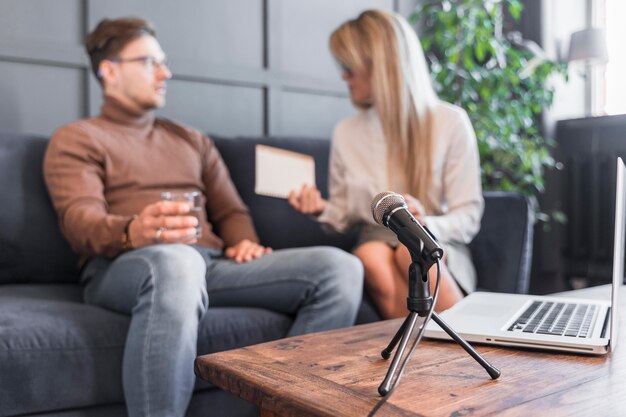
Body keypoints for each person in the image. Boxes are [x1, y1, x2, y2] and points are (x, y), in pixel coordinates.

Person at [43, 17, 363, 417]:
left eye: (163, 62)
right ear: (109, 71)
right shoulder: (78, 138)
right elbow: (79, 221)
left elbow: (231, 210)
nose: (165, 72)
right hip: (121, 267)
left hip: (208, 264)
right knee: (177, 261)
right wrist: (133, 230)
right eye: (148, 62)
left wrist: (242, 240)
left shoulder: (191, 139)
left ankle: (283, 411)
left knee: (340, 268)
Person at [289, 9, 483, 319]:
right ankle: (417, 357)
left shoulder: (450, 123)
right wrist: (318, 209)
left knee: (410, 253)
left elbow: (469, 217)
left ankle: (442, 346)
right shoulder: (346, 132)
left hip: (432, 239)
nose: (343, 76)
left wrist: (426, 223)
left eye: (349, 67)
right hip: (374, 239)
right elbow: (343, 215)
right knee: (371, 255)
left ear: (380, 65)